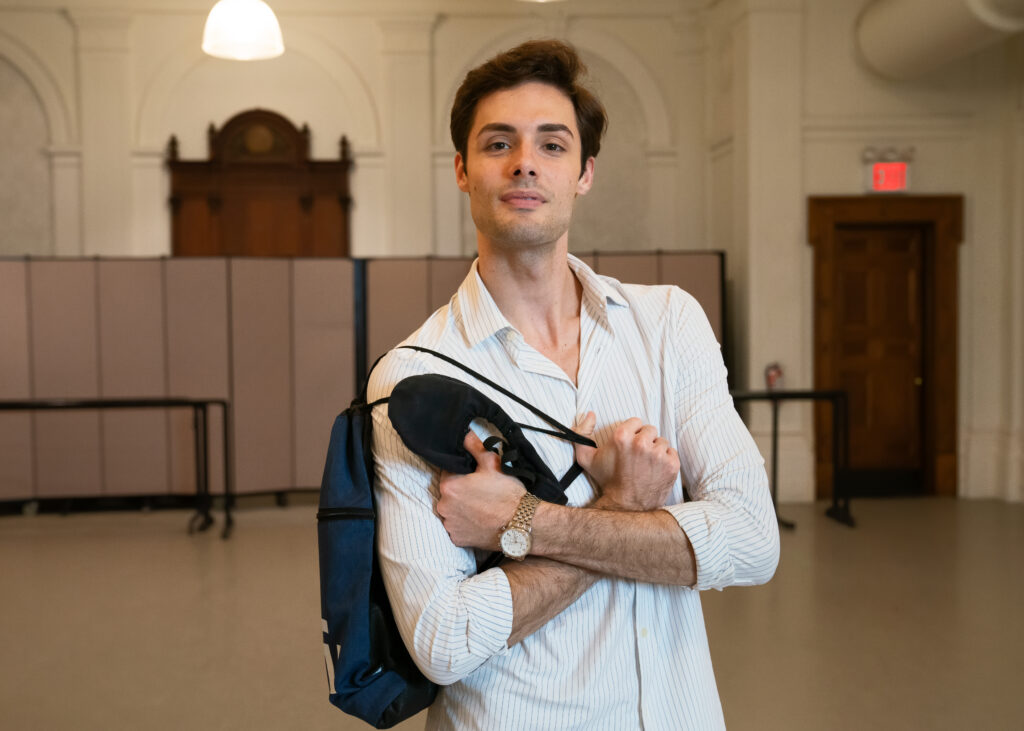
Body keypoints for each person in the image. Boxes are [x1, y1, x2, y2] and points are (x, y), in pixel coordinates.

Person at [367, 39, 780, 730]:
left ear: (585, 172)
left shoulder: (668, 323)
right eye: (499, 143)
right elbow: (444, 640)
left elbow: (750, 540)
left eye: (552, 145)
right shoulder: (414, 377)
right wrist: (625, 503)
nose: (526, 161)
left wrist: (523, 521)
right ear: (464, 171)